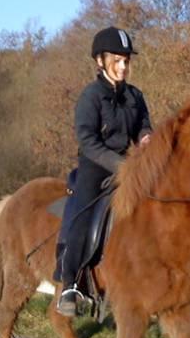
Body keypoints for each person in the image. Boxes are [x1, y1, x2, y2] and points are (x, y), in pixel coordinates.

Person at [55, 26, 152, 317]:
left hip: (131, 166)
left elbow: (144, 126)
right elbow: (87, 140)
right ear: (101, 61)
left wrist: (147, 139)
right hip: (95, 166)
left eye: (126, 61)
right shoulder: (90, 96)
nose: (123, 66)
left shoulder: (135, 96)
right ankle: (71, 283)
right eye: (117, 61)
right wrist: (119, 165)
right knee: (84, 213)